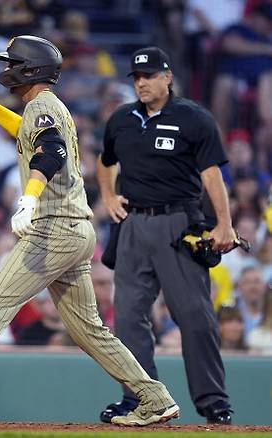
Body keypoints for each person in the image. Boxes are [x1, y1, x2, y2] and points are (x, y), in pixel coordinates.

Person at [0, 36, 179, 427]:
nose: (6, 67)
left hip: (54, 228)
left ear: (29, 69)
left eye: (13, 62)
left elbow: (51, 151)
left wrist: (28, 199)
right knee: (89, 331)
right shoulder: (45, 106)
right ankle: (154, 397)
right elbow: (29, 133)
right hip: (77, 230)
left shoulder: (43, 105)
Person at [96, 46, 238, 425]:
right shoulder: (122, 119)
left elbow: (212, 176)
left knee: (194, 315)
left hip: (178, 223)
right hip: (133, 226)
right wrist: (108, 195)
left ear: (168, 76)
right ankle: (140, 398)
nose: (142, 83)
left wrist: (223, 224)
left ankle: (212, 401)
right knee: (126, 318)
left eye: (149, 76)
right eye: (137, 77)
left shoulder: (194, 118)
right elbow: (105, 161)